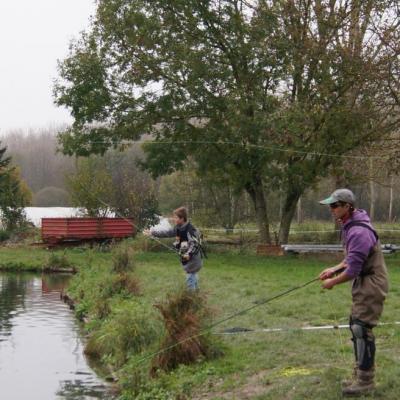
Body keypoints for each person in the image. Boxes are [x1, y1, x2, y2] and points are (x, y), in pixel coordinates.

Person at [318, 188, 388, 397]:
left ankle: (366, 381)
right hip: (364, 279)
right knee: (355, 324)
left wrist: (333, 282)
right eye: (330, 205)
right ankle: (360, 373)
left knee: (361, 328)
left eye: (335, 205)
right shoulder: (350, 225)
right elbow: (352, 259)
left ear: (347, 206)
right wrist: (333, 269)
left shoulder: (358, 231)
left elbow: (353, 270)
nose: (331, 209)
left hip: (372, 282)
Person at [144, 207, 204, 290]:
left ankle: (191, 298)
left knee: (190, 278)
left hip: (193, 259)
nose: (174, 219)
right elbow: (167, 233)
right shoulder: (178, 228)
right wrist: (152, 233)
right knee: (192, 275)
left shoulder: (190, 230)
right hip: (187, 259)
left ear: (182, 218)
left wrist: (188, 254)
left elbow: (195, 244)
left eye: (176, 217)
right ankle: (197, 295)